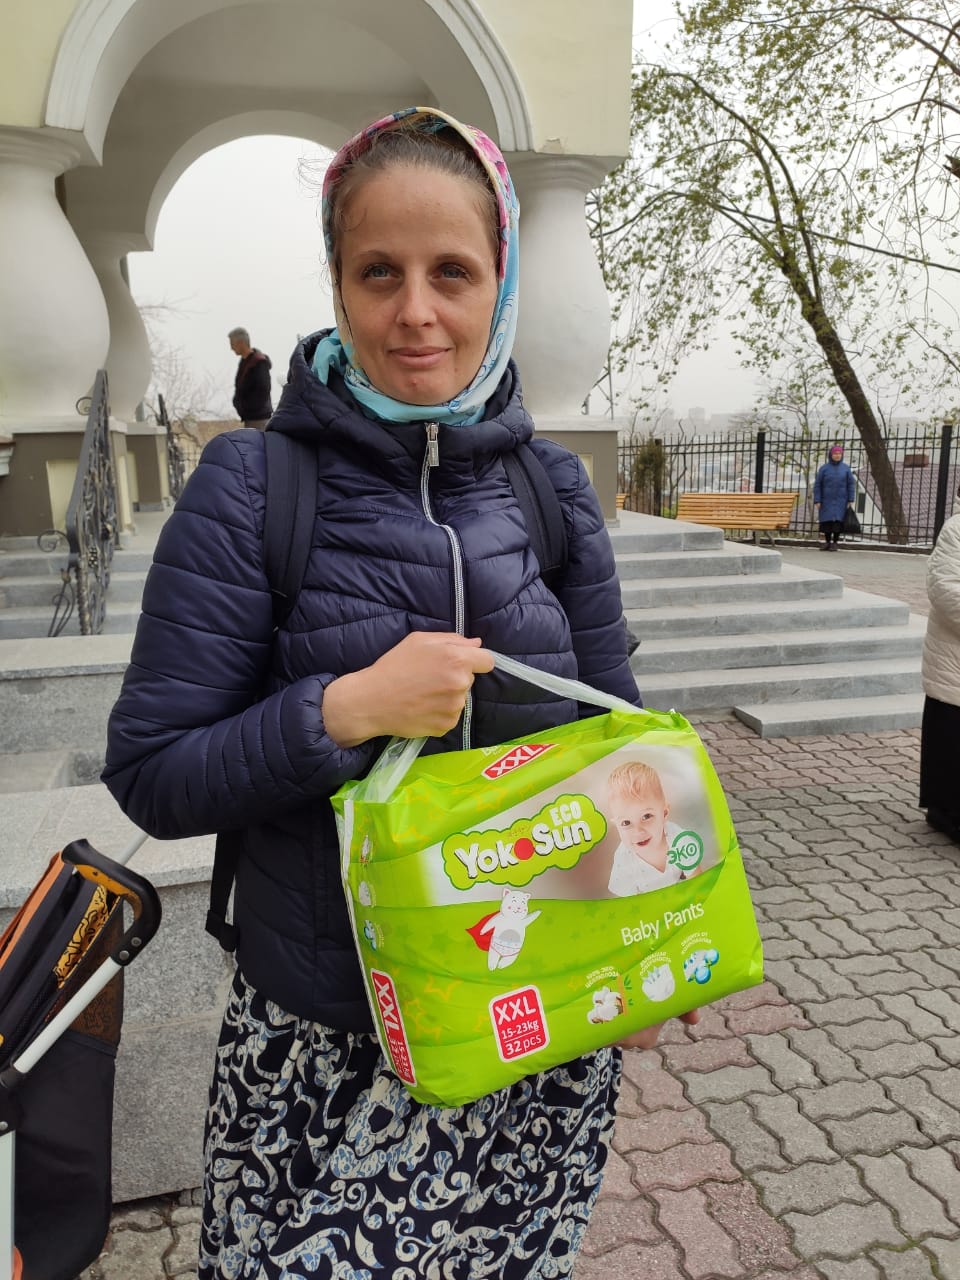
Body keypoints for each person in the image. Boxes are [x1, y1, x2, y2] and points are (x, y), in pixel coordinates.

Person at [103, 107, 697, 1280]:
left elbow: (622, 746)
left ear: (499, 284)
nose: (416, 310)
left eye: (451, 272)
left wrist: (658, 928)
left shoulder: (550, 491)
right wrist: (343, 710)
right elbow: (153, 770)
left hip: (534, 1027)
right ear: (338, 282)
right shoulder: (252, 487)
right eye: (380, 271)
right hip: (329, 1050)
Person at [920, 501, 960, 842]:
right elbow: (944, 588)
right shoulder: (956, 529)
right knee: (951, 737)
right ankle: (945, 813)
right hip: (953, 658)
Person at [605, 759, 686, 896]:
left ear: (664, 813)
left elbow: (696, 875)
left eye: (646, 816)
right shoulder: (624, 859)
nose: (638, 831)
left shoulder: (676, 837)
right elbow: (627, 904)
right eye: (626, 823)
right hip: (648, 905)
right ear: (617, 825)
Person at [228, 326, 273, 427]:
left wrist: (247, 408)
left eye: (232, 344)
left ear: (241, 343)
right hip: (250, 418)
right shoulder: (245, 362)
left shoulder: (258, 362)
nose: (231, 348)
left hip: (259, 418)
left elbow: (263, 390)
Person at [813, 442, 855, 550]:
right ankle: (827, 542)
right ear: (831, 455)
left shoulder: (846, 469)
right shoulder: (824, 469)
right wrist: (817, 500)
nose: (837, 455)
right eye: (835, 453)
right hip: (826, 500)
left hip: (841, 500)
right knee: (827, 522)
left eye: (839, 454)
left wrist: (850, 499)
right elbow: (817, 485)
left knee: (837, 522)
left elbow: (851, 484)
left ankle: (835, 543)